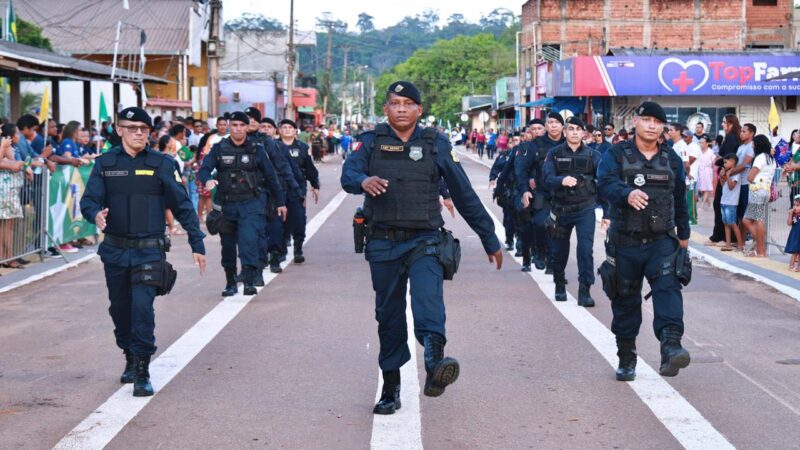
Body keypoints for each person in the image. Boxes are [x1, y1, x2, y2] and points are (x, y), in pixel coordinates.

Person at [341, 81, 503, 415]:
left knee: (429, 301)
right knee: (389, 317)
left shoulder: (436, 144)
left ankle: (434, 365)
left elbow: (463, 193)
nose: (401, 108)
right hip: (383, 242)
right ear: (385, 109)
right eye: (394, 103)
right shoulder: (371, 142)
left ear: (419, 110)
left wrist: (488, 237)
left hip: (425, 239)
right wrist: (362, 181)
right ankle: (391, 388)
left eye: (408, 103)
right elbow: (349, 173)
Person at [79, 107, 206, 397]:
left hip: (149, 250)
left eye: (144, 128)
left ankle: (142, 369)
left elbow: (182, 204)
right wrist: (96, 214)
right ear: (119, 130)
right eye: (132, 127)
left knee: (142, 310)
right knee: (120, 310)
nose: (139, 133)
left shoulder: (162, 163)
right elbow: (88, 202)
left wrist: (197, 243)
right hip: (115, 251)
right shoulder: (105, 163)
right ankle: (129, 354)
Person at [596, 101, 691, 382]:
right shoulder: (616, 154)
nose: (651, 125)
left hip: (662, 240)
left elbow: (680, 198)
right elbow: (604, 184)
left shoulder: (671, 159)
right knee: (624, 300)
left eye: (657, 121)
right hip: (624, 240)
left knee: (668, 287)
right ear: (635, 122)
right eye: (646, 119)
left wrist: (683, 235)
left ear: (663, 127)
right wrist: (626, 194)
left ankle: (671, 346)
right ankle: (626, 357)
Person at [197, 111, 287, 297]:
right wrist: (207, 180)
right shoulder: (219, 148)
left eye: (241, 125)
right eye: (234, 125)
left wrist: (280, 202)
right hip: (226, 205)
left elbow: (271, 177)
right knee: (228, 246)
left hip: (251, 204)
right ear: (229, 126)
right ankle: (230, 282)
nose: (238, 128)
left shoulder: (257, 149)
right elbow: (204, 169)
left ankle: (248, 281)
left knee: (249, 242)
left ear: (247, 127)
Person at [540, 116, 602, 306]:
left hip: (585, 208)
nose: (575, 132)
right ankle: (560, 284)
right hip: (561, 209)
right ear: (565, 132)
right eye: (571, 128)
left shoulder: (594, 155)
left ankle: (585, 290)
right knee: (559, 250)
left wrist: (607, 212)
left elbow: (605, 182)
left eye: (578, 129)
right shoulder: (554, 153)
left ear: (584, 133)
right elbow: (547, 178)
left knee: (585, 250)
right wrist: (561, 180)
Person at [516, 114, 565, 272]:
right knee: (539, 224)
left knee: (558, 230)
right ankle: (539, 250)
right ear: (547, 126)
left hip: (563, 195)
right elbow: (522, 169)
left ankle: (552, 261)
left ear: (562, 126)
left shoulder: (568, 144)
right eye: (550, 122)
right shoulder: (535, 145)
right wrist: (524, 190)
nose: (553, 125)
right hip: (541, 193)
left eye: (557, 122)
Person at [277, 119, 320, 264]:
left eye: (290, 127)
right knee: (280, 222)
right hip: (278, 190)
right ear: (279, 130)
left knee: (299, 219)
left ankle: (298, 249)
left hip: (297, 190)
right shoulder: (273, 147)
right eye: (284, 127)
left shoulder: (301, 147)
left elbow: (309, 168)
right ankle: (281, 250)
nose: (287, 129)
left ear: (295, 131)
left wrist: (315, 184)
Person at [707, 114, 741, 245]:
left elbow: (729, 157)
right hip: (724, 174)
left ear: (731, 124)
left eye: (724, 122)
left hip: (727, 176)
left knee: (720, 205)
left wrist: (722, 166)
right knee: (720, 206)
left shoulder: (732, 137)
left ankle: (720, 236)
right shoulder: (729, 137)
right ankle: (723, 237)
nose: (722, 124)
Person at [742, 134, 776, 258]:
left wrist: (750, 178)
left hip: (757, 191)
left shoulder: (760, 158)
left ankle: (761, 250)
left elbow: (750, 177)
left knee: (756, 220)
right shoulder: (771, 159)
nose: (752, 146)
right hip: (765, 190)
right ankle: (761, 247)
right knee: (750, 219)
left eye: (754, 144)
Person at [719, 154, 743, 251]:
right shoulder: (727, 172)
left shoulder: (736, 174)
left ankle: (740, 244)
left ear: (733, 162)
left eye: (726, 162)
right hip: (724, 200)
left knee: (732, 223)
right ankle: (728, 243)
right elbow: (723, 185)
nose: (724, 165)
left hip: (731, 202)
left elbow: (731, 186)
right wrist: (722, 177)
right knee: (726, 223)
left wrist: (728, 176)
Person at [696, 135, 716, 209]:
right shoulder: (698, 151)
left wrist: (714, 175)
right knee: (702, 189)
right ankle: (710, 204)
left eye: (702, 142)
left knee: (706, 188)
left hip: (707, 171)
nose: (701, 144)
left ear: (707, 143)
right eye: (700, 142)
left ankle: (702, 206)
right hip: (700, 171)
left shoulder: (711, 152)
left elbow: (714, 164)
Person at [785, 195, 800, 271]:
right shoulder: (794, 215)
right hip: (795, 235)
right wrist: (790, 214)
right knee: (795, 252)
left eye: (797, 205)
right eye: (794, 205)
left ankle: (798, 267)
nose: (795, 207)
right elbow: (789, 223)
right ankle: (791, 265)